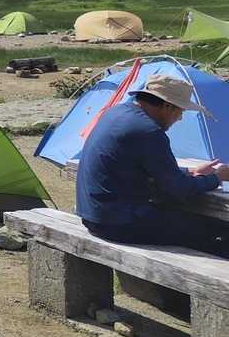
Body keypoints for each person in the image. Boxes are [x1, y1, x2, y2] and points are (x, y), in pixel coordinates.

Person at [76, 75, 229, 258]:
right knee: (218, 231)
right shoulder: (148, 131)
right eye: (180, 111)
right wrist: (217, 178)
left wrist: (191, 172)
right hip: (117, 222)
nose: (180, 118)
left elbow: (152, 168)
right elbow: (179, 190)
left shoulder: (116, 112)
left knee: (191, 223)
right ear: (168, 106)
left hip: (93, 215)